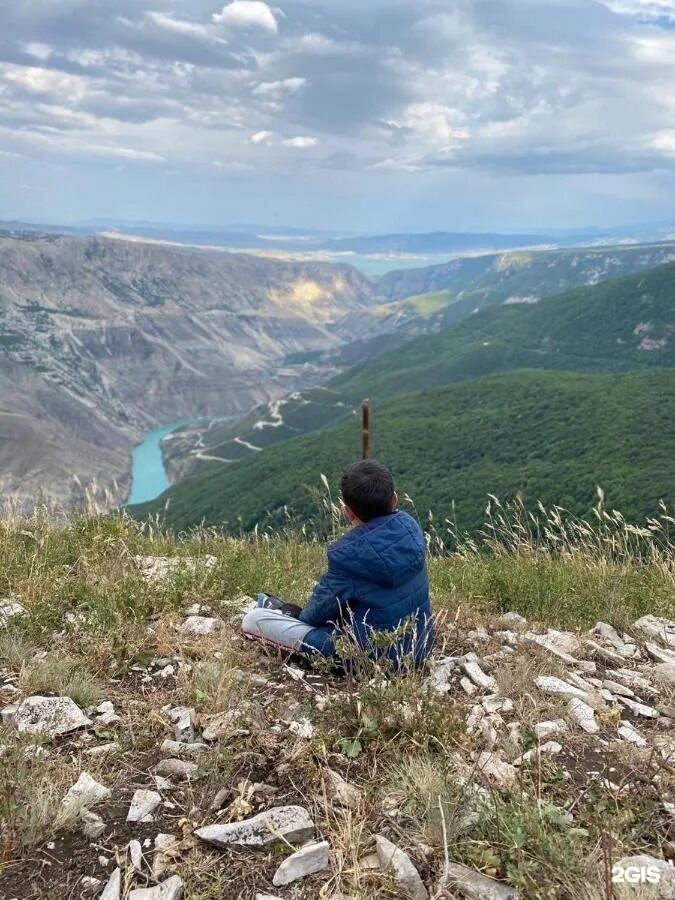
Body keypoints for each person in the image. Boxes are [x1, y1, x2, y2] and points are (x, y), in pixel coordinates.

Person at [241, 459, 434, 668]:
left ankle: (274, 608)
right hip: (420, 643)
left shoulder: (348, 555)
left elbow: (314, 616)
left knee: (254, 619)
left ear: (348, 512)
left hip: (372, 658)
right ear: (394, 499)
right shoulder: (410, 527)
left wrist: (298, 615)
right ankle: (275, 606)